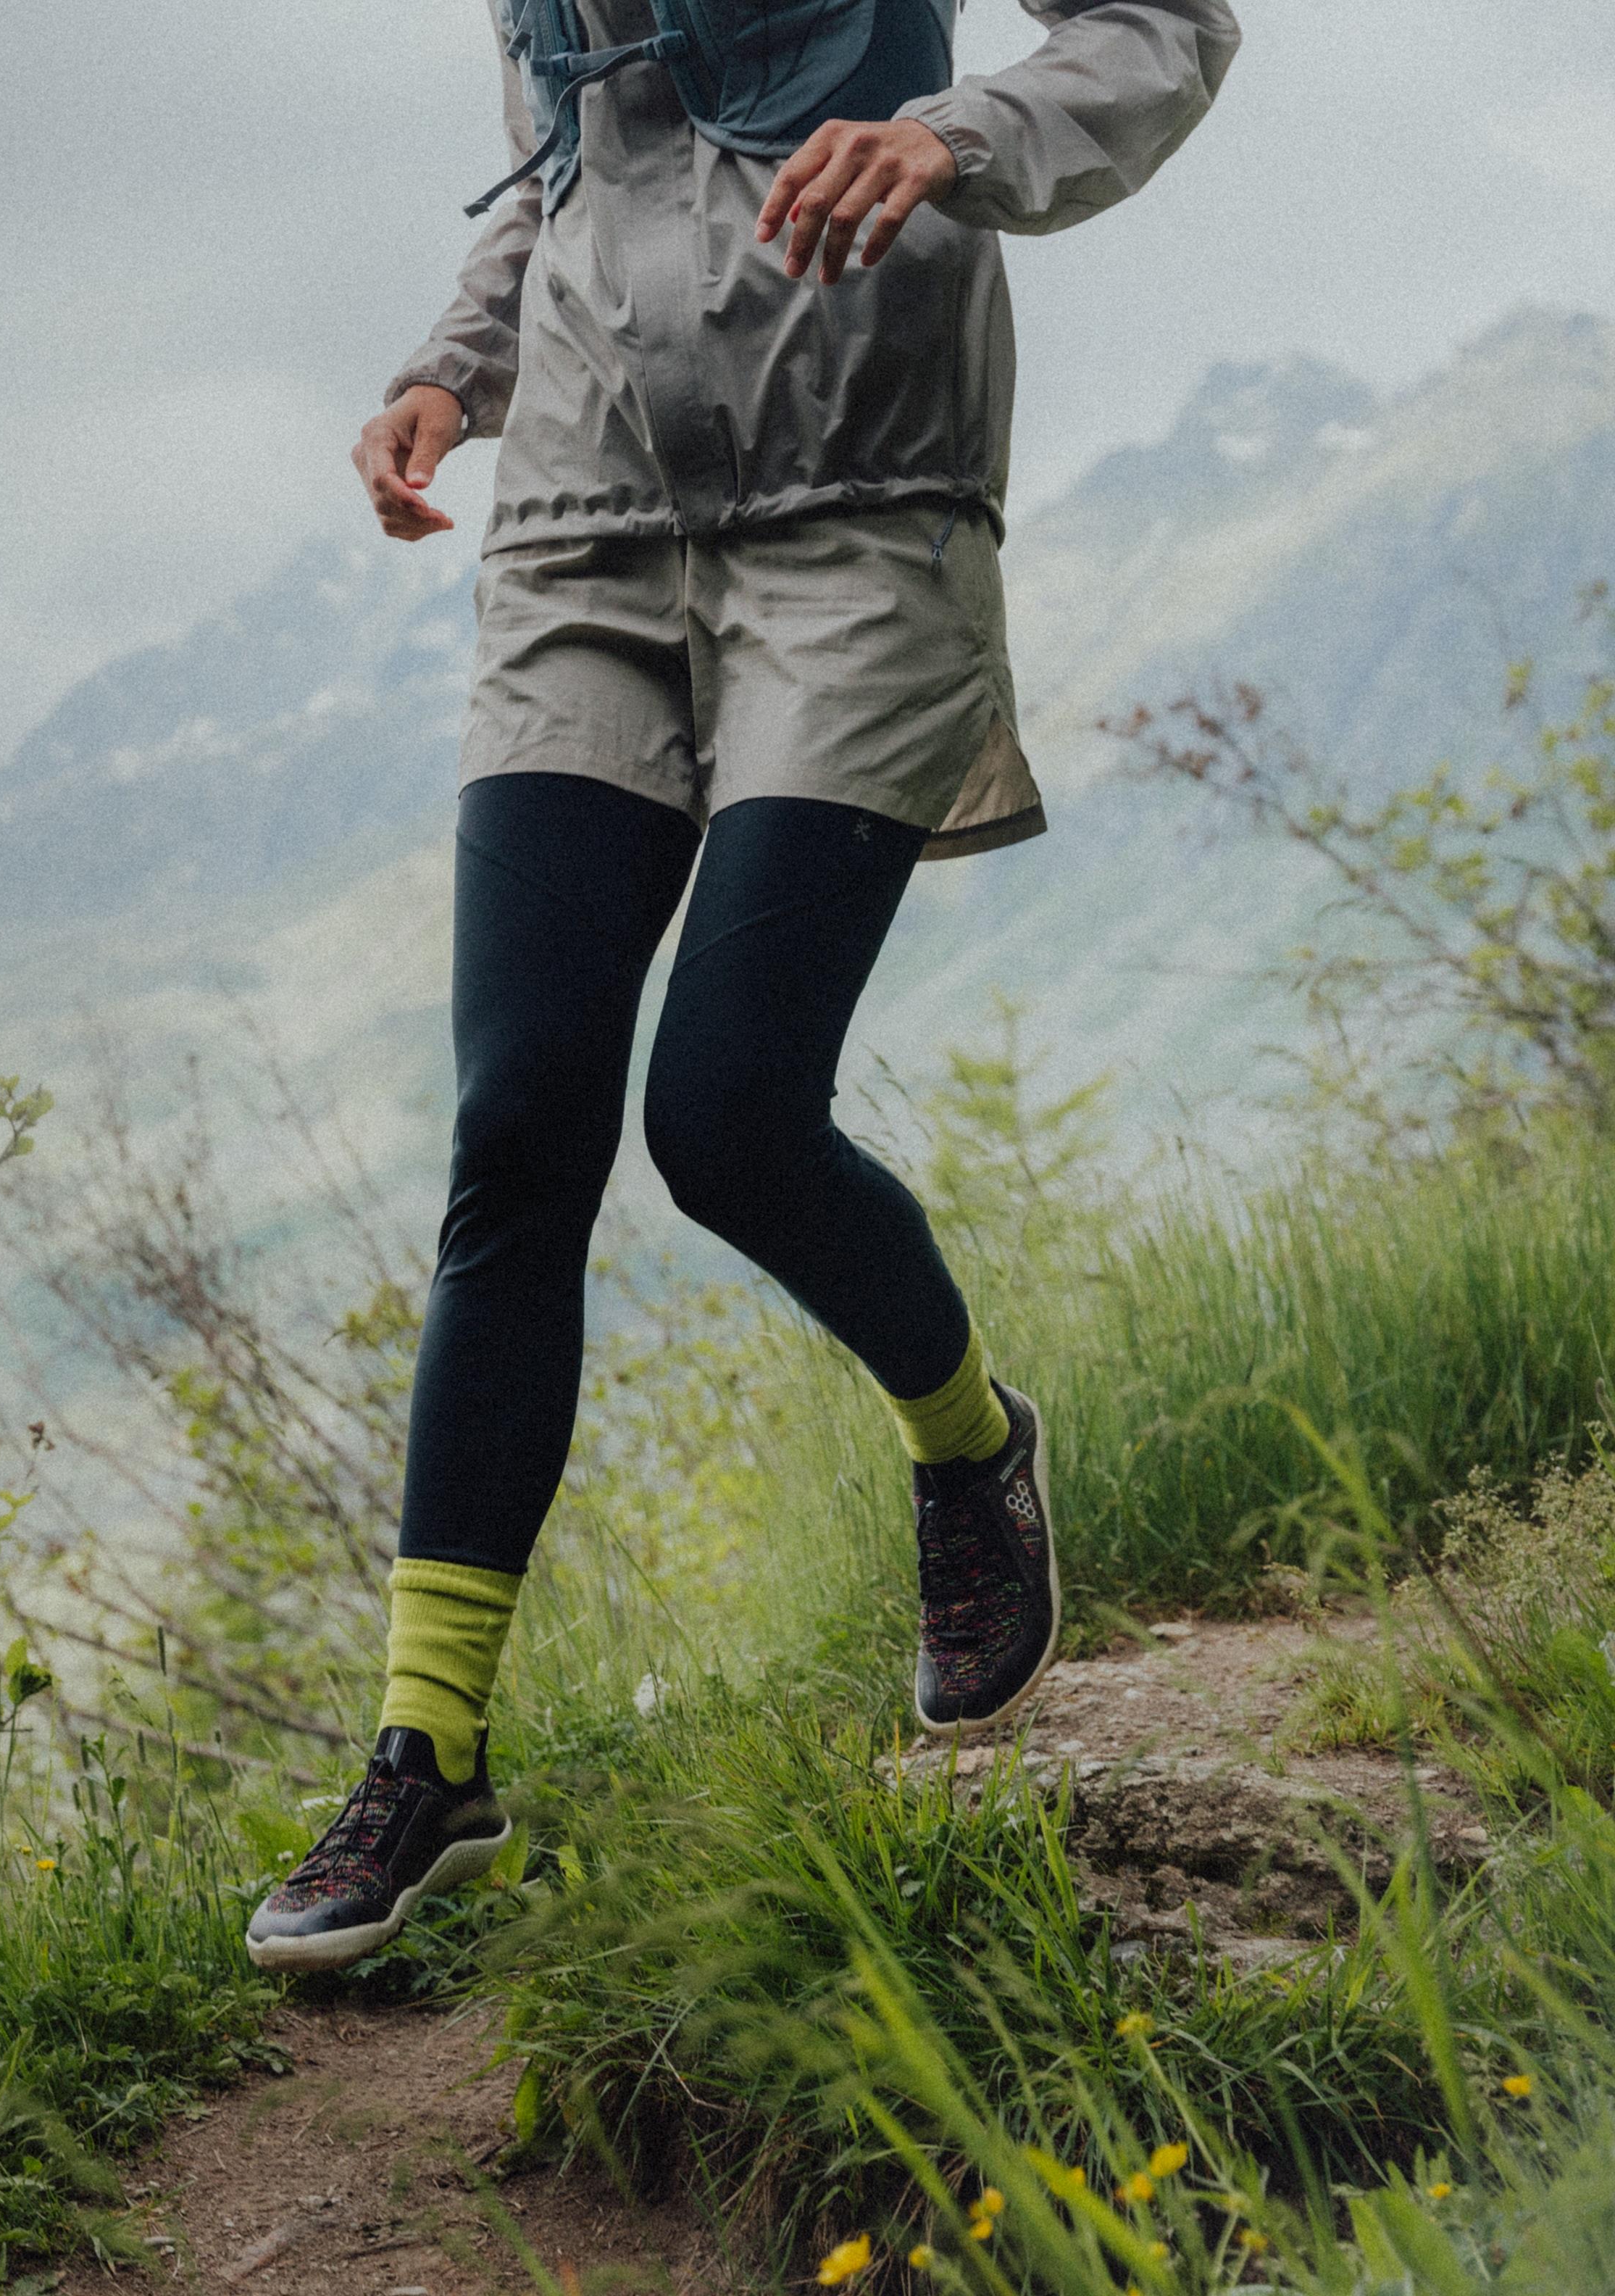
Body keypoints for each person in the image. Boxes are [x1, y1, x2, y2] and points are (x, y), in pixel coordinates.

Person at [245, 0, 1241, 1974]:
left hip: (861, 517)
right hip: (582, 547)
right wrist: (450, 374)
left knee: (724, 1117)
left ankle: (970, 1448)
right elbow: (567, 173)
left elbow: (1164, 31)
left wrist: (955, 134)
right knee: (517, 1126)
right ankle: (430, 1750)